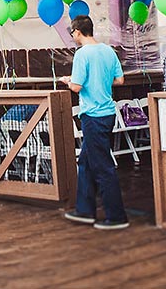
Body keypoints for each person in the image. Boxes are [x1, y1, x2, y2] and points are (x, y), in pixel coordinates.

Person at [62, 15, 128, 230]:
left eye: (72, 33)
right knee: (86, 162)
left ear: (78, 31)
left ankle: (116, 216)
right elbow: (119, 80)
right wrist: (101, 80)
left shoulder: (82, 54)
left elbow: (77, 87)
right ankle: (84, 210)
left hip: (93, 114)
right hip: (108, 113)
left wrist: (67, 81)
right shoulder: (108, 51)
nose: (72, 36)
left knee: (102, 166)